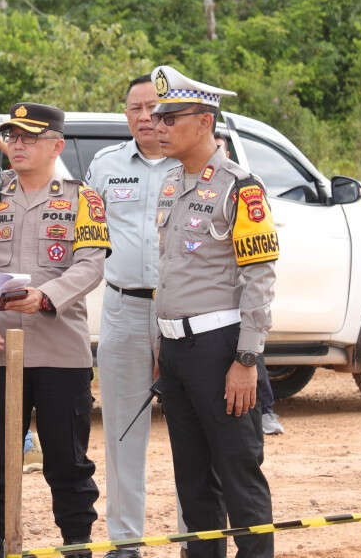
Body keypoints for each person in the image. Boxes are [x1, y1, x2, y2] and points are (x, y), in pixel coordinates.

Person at [0, 101, 109, 558]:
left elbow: (90, 267)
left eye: (29, 138)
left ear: (56, 145)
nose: (17, 146)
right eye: (12, 137)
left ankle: (76, 544)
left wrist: (47, 296)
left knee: (68, 463)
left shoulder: (83, 199)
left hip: (62, 355)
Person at [151, 65, 275, 558]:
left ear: (204, 121)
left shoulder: (239, 187)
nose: (158, 127)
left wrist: (247, 359)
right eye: (157, 118)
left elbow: (259, 278)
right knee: (193, 479)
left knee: (238, 470)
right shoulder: (171, 182)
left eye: (170, 118)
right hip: (178, 349)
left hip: (221, 347)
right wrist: (163, 347)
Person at [84, 77, 179, 556]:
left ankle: (194, 534)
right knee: (122, 428)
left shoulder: (195, 165)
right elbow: (84, 235)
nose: (145, 117)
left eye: (154, 108)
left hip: (183, 313)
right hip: (123, 306)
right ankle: (126, 541)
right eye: (135, 108)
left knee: (190, 430)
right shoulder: (105, 167)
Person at [213, 128, 284, 437]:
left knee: (250, 353)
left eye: (219, 147)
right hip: (208, 301)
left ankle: (265, 410)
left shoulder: (243, 186)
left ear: (227, 152)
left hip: (243, 294)